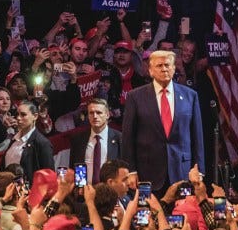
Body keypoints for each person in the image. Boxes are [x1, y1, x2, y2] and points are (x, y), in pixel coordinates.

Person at [123, 50, 205, 192]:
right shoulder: (135, 97)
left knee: (182, 214)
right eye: (159, 65)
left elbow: (197, 136)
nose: (164, 69)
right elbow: (128, 137)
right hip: (147, 173)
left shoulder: (190, 96)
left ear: (174, 68)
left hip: (182, 172)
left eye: (167, 65)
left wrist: (199, 169)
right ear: (150, 71)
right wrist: (130, 171)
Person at [68, 98, 121, 182]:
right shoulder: (78, 139)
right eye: (91, 113)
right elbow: (75, 167)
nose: (95, 116)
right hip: (85, 191)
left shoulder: (119, 139)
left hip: (109, 192)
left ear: (107, 115)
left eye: (99, 113)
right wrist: (80, 186)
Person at [1, 101, 53, 185]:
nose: (18, 118)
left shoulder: (42, 143)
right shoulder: (14, 140)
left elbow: (49, 177)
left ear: (35, 116)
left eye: (23, 115)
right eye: (17, 114)